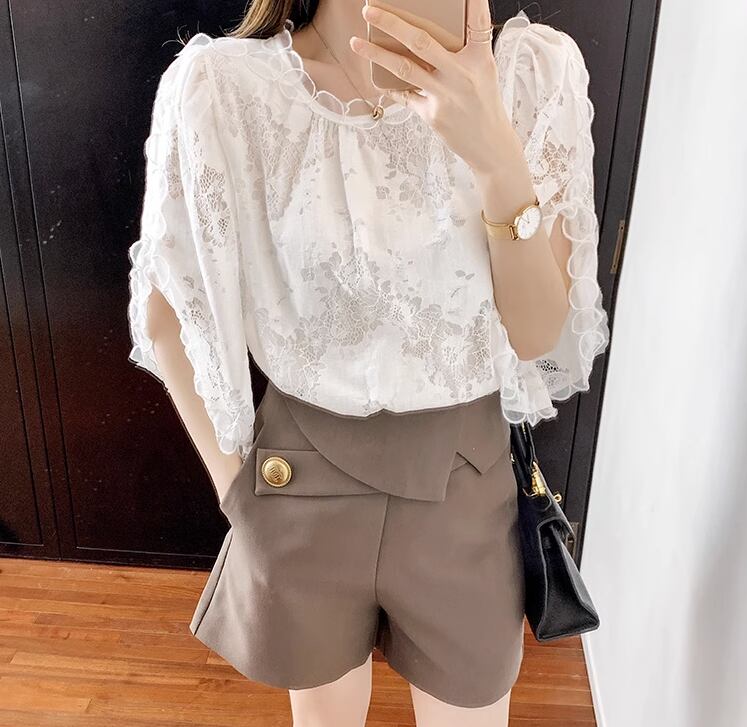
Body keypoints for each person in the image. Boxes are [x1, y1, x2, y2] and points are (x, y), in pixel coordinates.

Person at [125, 0, 610, 724]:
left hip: (464, 489)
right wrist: (239, 498)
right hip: (299, 486)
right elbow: (168, 312)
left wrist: (493, 154)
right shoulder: (224, 89)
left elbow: (538, 332)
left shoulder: (534, 76)